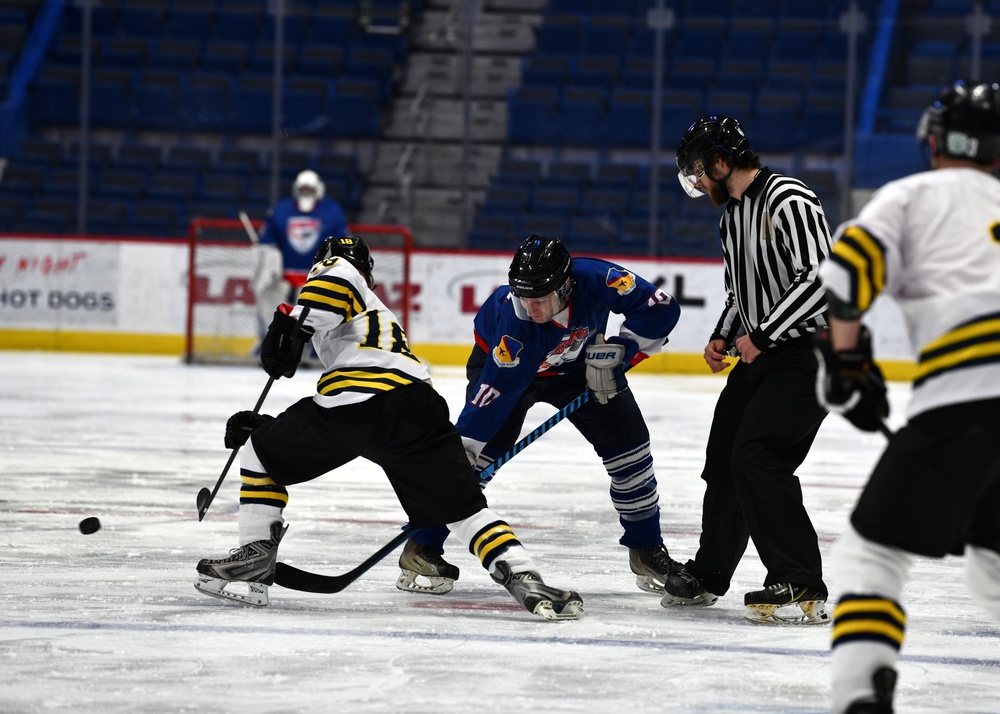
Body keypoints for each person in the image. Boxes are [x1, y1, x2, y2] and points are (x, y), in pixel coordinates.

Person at [195, 235, 585, 622]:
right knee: (460, 507)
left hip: (363, 401)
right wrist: (274, 426)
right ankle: (522, 574)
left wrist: (294, 324)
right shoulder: (373, 308)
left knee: (259, 453)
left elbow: (332, 289)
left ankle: (253, 556)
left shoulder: (337, 269)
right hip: (417, 405)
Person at [816, 81, 1000, 713]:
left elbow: (848, 273)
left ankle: (861, 695)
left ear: (934, 139)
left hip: (967, 395)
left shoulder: (912, 193)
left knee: (872, 554)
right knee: (993, 569)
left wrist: (846, 365)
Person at [395, 235, 684, 598]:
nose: (530, 308)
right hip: (513, 372)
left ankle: (645, 548)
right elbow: (494, 396)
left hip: (580, 367)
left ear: (566, 287)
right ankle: (421, 545)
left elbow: (660, 308)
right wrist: (463, 447)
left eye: (540, 300)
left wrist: (620, 351)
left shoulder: (599, 278)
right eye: (524, 298)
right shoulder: (516, 330)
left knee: (631, 449)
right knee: (476, 459)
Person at [661, 116, 833, 625]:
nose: (695, 182)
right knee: (724, 460)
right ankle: (711, 572)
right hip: (768, 354)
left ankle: (801, 582)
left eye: (698, 169)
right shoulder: (731, 217)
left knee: (759, 457)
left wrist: (760, 335)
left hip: (810, 355)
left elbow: (823, 280)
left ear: (720, 161)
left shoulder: (789, 199)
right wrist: (723, 333)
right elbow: (743, 293)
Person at [252, 170, 349, 353]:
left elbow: (341, 244)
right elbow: (267, 243)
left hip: (316, 276)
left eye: (310, 189)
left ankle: (314, 349)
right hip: (284, 276)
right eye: (303, 189)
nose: (306, 193)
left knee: (319, 315)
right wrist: (267, 261)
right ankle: (269, 343)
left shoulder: (332, 211)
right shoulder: (281, 210)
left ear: (318, 190)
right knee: (271, 308)